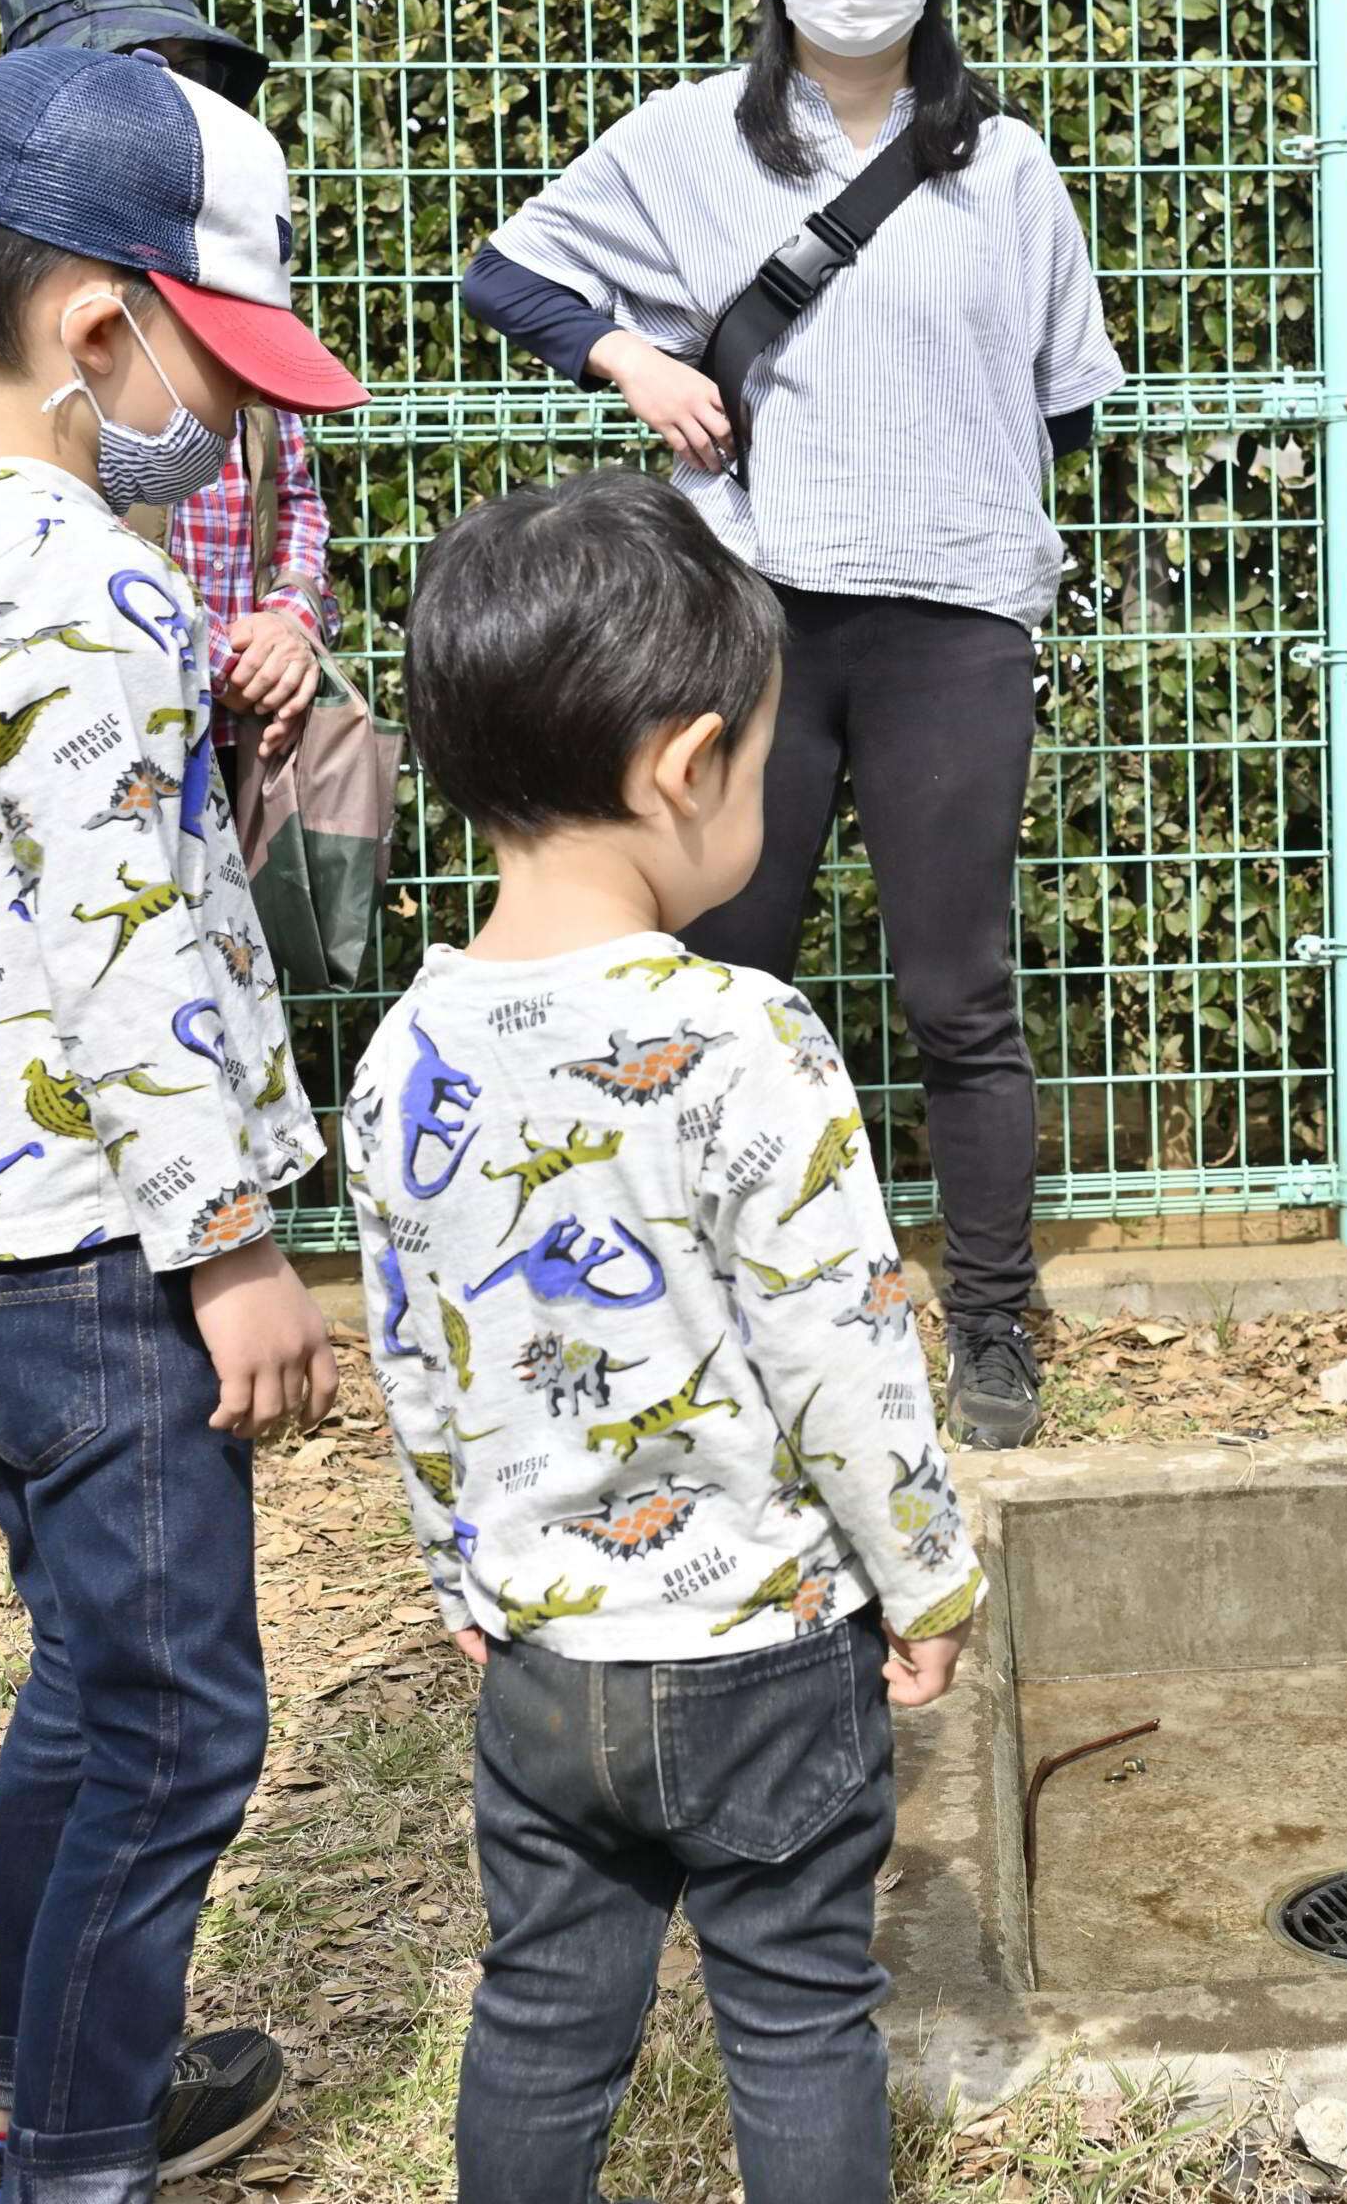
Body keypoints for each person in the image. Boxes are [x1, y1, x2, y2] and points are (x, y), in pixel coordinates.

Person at [0, 43, 364, 2204]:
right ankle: (69, 2158)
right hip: (106, 1249)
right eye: (218, 368)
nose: (234, 421)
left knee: (88, 1685)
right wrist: (233, 1249)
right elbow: (128, 938)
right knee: (179, 1722)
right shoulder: (97, 584)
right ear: (93, 330)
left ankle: (37, 2090)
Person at [348, 468, 980, 2204]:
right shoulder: (748, 1039)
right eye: (766, 762)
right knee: (798, 2015)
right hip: (764, 1650)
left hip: (544, 1656)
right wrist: (925, 1576)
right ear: (687, 766)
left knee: (544, 2014)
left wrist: (459, 1568)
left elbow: (414, 1356)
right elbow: (843, 1354)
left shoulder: (406, 1055)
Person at [464, 0, 1120, 1451]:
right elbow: (506, 274)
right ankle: (720, 1317)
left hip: (954, 622)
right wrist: (632, 359)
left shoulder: (1005, 164)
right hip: (751, 622)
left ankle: (990, 1324)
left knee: (959, 992)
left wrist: (939, 479)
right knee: (724, 975)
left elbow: (1067, 405)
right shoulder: (686, 142)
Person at [0, 0, 335, 754]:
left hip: (243, 724)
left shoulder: (219, 252)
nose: (162, 92)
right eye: (124, 70)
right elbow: (31, 507)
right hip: (94, 685)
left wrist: (290, 620)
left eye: (187, 70)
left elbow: (294, 492)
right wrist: (197, 646)